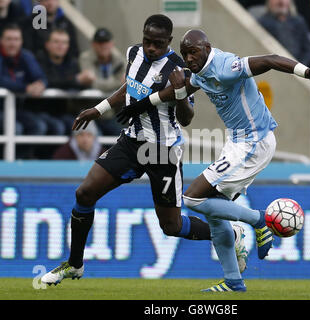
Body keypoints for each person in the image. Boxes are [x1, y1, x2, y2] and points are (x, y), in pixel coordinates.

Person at [120, 29, 310, 292]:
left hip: (253, 141)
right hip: (237, 143)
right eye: (185, 54)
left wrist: (307, 72)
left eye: (193, 52)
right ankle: (234, 282)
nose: (189, 58)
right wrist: (141, 104)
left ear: (207, 47)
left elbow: (270, 59)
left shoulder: (227, 66)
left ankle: (258, 219)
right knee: (214, 212)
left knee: (192, 198)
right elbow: (175, 91)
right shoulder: (201, 74)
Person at [41, 15, 248, 286]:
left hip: (163, 151)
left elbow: (186, 119)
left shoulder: (181, 69)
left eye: (158, 44)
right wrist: (99, 109)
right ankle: (75, 264)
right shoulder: (133, 53)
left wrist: (180, 92)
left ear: (169, 43)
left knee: (171, 226)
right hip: (131, 142)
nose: (151, 48)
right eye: (147, 41)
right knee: (84, 192)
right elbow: (130, 87)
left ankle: (230, 235)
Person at [0, 23, 47, 136]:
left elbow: (40, 76)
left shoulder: (26, 56)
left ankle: (23, 154)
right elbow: (1, 80)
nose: (13, 43)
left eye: (16, 39)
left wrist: (41, 84)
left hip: (17, 109)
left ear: (21, 41)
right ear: (1, 40)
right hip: (2, 108)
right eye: (9, 39)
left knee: (39, 126)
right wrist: (25, 88)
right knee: (16, 128)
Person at [79, 28, 126, 136]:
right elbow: (94, 84)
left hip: (111, 112)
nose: (103, 46)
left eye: (106, 42)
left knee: (121, 135)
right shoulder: (86, 57)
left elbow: (126, 83)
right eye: (100, 43)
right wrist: (118, 82)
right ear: (93, 44)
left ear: (112, 43)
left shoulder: (118, 58)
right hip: (89, 109)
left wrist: (120, 83)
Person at [258, 0, 310, 65]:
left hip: (297, 68)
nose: (281, 2)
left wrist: (299, 66)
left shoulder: (298, 21)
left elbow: (307, 50)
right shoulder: (262, 23)